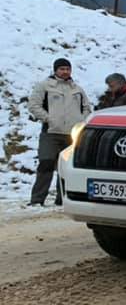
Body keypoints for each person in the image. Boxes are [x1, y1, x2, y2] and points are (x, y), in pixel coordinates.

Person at [27, 58, 92, 206]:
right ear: (55, 70)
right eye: (62, 69)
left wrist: (81, 120)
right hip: (51, 132)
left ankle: (62, 199)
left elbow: (87, 107)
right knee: (46, 163)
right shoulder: (44, 86)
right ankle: (37, 200)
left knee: (66, 167)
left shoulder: (77, 89)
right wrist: (48, 119)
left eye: (67, 69)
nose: (65, 72)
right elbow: (33, 105)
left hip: (72, 134)